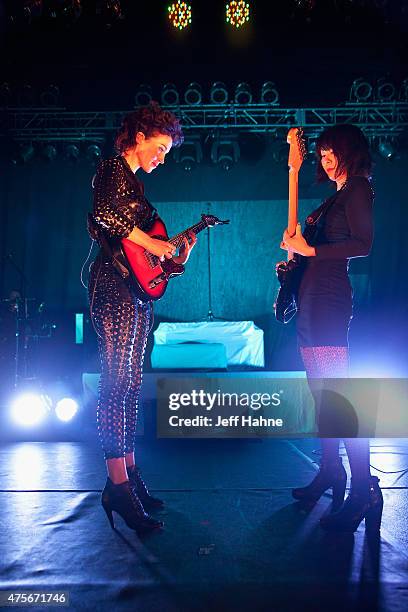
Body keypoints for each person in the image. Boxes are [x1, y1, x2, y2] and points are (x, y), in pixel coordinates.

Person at [88, 101, 196, 534]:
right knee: (116, 384)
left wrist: (173, 257)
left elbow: (145, 257)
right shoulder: (114, 168)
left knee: (131, 385)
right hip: (113, 289)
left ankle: (130, 477)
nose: (163, 156)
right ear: (139, 136)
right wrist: (154, 247)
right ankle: (117, 485)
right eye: (161, 146)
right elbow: (103, 216)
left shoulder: (134, 185)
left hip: (133, 291)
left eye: (168, 151)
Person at [280, 124, 383, 532]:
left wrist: (311, 250)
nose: (325, 159)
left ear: (349, 152)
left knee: (337, 397)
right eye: (320, 154)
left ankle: (363, 489)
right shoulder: (336, 197)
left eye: (330, 152)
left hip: (328, 303)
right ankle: (330, 472)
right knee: (322, 396)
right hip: (310, 301)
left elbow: (364, 243)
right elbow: (310, 249)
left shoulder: (357, 188)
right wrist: (298, 262)